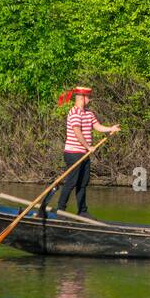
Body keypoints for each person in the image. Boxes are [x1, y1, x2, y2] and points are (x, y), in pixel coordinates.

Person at [54, 86, 120, 216]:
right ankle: (60, 210)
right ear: (82, 98)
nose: (89, 99)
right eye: (88, 97)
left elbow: (97, 126)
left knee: (83, 183)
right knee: (72, 182)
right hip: (73, 153)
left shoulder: (89, 113)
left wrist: (110, 128)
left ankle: (82, 211)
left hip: (84, 153)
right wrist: (88, 146)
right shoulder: (74, 113)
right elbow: (77, 132)